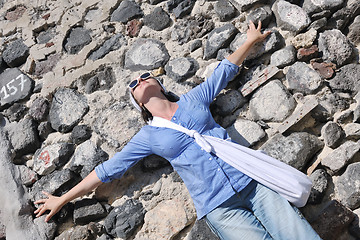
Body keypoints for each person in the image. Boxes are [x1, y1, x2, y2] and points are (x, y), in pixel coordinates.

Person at [34, 21, 321, 240]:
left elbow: (223, 71)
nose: (140, 81)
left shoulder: (193, 100)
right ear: (138, 104)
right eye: (133, 84)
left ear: (160, 86)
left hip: (252, 181)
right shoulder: (148, 136)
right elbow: (108, 170)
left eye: (145, 76)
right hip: (218, 205)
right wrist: (62, 198)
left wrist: (249, 42)